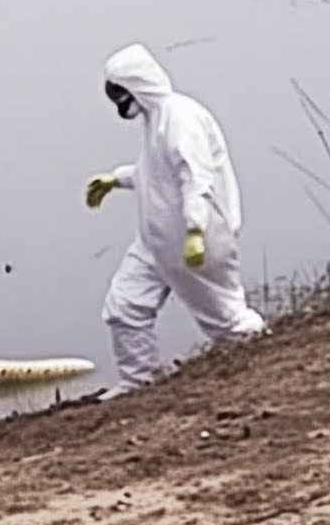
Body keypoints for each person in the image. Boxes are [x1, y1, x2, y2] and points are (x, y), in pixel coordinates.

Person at [84, 43, 267, 401]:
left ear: (137, 84)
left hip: (192, 239)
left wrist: (196, 231)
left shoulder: (180, 119)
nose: (119, 104)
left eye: (121, 93)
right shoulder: (155, 120)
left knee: (227, 321)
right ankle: (141, 383)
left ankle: (267, 362)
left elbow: (195, 179)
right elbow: (155, 174)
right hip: (155, 241)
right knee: (124, 307)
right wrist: (116, 179)